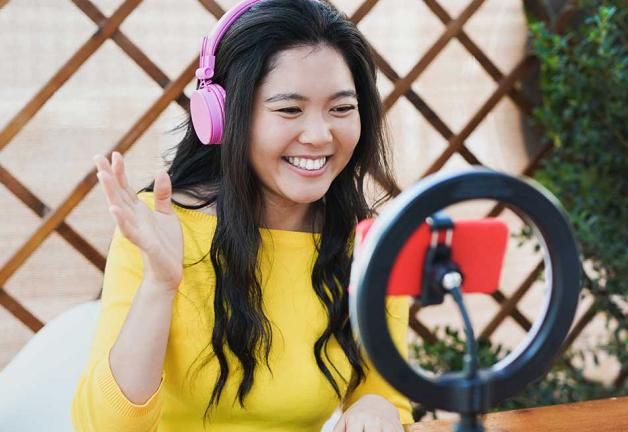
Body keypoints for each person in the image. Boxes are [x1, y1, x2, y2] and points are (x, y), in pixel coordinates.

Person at [71, 0, 414, 430]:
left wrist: (375, 407)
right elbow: (104, 427)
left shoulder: (370, 245)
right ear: (222, 117)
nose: (318, 135)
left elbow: (384, 392)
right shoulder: (159, 228)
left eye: (341, 108)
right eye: (289, 109)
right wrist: (161, 284)